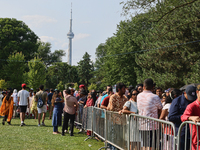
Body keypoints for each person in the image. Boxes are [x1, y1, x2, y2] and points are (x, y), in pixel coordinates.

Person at [168, 85, 197, 150]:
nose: (191, 99)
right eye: (189, 97)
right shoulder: (177, 101)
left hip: (194, 133)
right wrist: (187, 117)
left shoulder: (195, 100)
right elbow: (171, 117)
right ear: (184, 93)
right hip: (182, 132)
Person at [137, 78, 163, 150]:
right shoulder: (155, 97)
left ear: (144, 86)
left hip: (142, 124)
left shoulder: (138, 96)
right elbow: (160, 109)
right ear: (153, 87)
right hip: (152, 126)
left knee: (145, 145)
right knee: (152, 146)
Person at [181, 85, 200, 150]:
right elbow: (183, 117)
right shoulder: (192, 106)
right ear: (197, 92)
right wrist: (190, 117)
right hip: (197, 141)